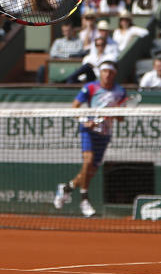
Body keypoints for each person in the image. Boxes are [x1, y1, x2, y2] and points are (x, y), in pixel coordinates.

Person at [54, 61, 126, 217]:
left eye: (110, 72)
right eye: (104, 71)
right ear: (100, 73)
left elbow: (122, 118)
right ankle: (84, 199)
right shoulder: (91, 88)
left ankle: (67, 188)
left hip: (105, 134)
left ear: (114, 74)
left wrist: (115, 113)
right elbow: (74, 108)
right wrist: (85, 121)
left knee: (91, 171)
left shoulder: (120, 91)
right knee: (88, 161)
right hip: (88, 130)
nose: (107, 75)